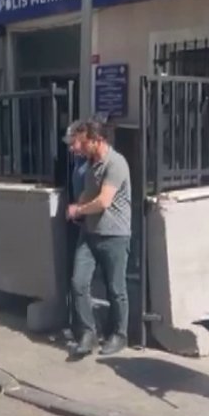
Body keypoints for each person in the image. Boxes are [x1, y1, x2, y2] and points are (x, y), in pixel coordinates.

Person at [65, 118, 132, 357]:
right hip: (90, 232)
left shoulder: (116, 164)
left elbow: (104, 201)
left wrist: (79, 210)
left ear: (97, 140)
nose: (79, 148)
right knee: (78, 282)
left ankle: (119, 335)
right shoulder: (90, 164)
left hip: (114, 234)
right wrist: (79, 204)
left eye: (84, 143)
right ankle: (88, 333)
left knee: (116, 289)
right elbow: (89, 191)